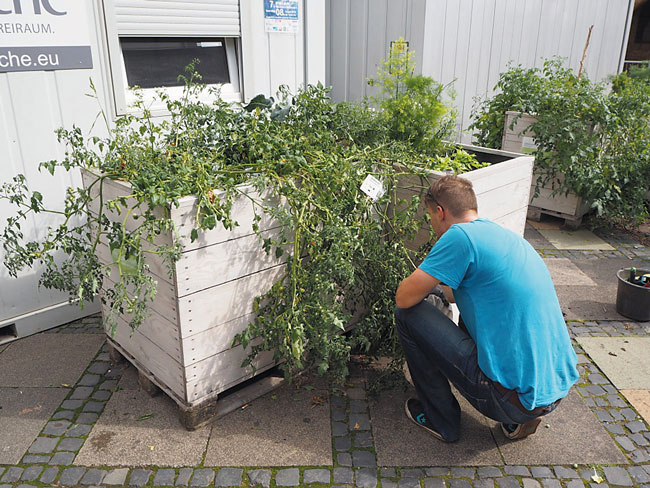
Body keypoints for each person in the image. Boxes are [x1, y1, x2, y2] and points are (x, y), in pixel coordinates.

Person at [394, 175, 579, 442]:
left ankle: (441, 420)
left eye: (430, 217)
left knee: (407, 316)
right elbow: (457, 295)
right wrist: (435, 287)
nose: (431, 224)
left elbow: (404, 298)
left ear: (440, 212)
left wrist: (422, 285)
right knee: (474, 313)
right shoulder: (503, 236)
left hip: (509, 400)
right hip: (553, 391)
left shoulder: (459, 236)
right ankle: (518, 418)